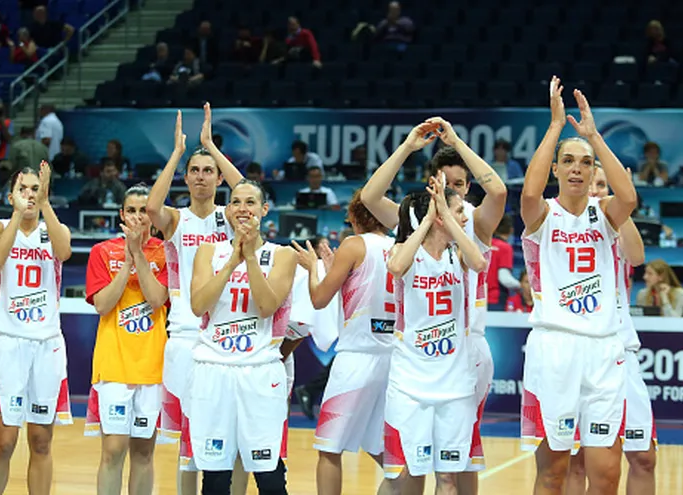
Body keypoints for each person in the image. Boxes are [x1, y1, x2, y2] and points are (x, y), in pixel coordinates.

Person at [362, 116, 507, 494]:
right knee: (409, 471)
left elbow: (499, 192)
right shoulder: (413, 221)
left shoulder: (472, 221)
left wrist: (458, 144)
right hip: (418, 358)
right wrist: (408, 148)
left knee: (461, 463)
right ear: (431, 185)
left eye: (459, 184)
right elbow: (370, 198)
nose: (453, 191)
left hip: (466, 348)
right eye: (445, 184)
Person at [519, 77, 638, 494]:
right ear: (556, 168)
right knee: (553, 472)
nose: (576, 168)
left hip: (604, 350)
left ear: (592, 172)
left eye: (584, 163)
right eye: (568, 161)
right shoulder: (542, 214)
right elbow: (528, 193)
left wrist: (591, 135)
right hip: (556, 348)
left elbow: (630, 199)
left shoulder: (604, 212)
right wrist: (555, 128)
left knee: (606, 475)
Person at [146, 105, 243, 495]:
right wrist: (176, 153)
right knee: (189, 441)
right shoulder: (175, 219)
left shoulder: (231, 215)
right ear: (186, 178)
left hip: (226, 337)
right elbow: (151, 207)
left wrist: (208, 146)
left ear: (218, 177)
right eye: (196, 170)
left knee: (230, 437)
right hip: (186, 337)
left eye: (208, 171)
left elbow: (246, 191)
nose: (201, 177)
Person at [380, 175, 488, 494]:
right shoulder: (405, 250)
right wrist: (430, 218)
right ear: (440, 216)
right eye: (459, 211)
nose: (466, 217)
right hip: (410, 383)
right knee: (405, 475)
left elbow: (480, 262)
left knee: (447, 478)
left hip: (454, 384)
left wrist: (446, 213)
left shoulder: (460, 255)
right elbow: (397, 266)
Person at [189, 179, 297, 494]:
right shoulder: (209, 251)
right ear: (227, 210)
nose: (242, 209)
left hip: (259, 370)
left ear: (264, 210)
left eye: (250, 203)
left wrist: (249, 257)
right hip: (213, 368)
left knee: (269, 474)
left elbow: (266, 307)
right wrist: (230, 263)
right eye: (235, 202)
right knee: (215, 474)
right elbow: (198, 305)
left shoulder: (282, 255)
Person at [290, 189, 394, 495]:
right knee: (387, 453)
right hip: (394, 358)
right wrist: (341, 268)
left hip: (358, 359)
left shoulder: (353, 244)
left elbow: (319, 298)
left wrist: (313, 268)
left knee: (329, 449)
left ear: (357, 217)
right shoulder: (401, 246)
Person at [0, 162, 73, 495]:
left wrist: (45, 204)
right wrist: (19, 215)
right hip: (8, 341)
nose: (30, 195)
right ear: (10, 196)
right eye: (24, 189)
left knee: (41, 440)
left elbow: (64, 252)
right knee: (4, 441)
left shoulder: (54, 227)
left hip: (47, 342)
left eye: (36, 188)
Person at [565, 162, 656, 495]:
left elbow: (636, 256)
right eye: (592, 182)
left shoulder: (616, 226)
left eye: (603, 184)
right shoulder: (561, 224)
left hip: (620, 349)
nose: (595, 189)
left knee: (643, 457)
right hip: (575, 350)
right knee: (577, 462)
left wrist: (623, 203)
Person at [84, 185, 169, 494]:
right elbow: (103, 304)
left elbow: (158, 299)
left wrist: (138, 254)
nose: (137, 217)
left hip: (152, 366)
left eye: (144, 211)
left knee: (144, 453)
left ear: (154, 217)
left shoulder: (166, 251)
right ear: (121, 214)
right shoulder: (101, 252)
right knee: (113, 450)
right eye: (131, 210)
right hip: (114, 365)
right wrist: (127, 262)